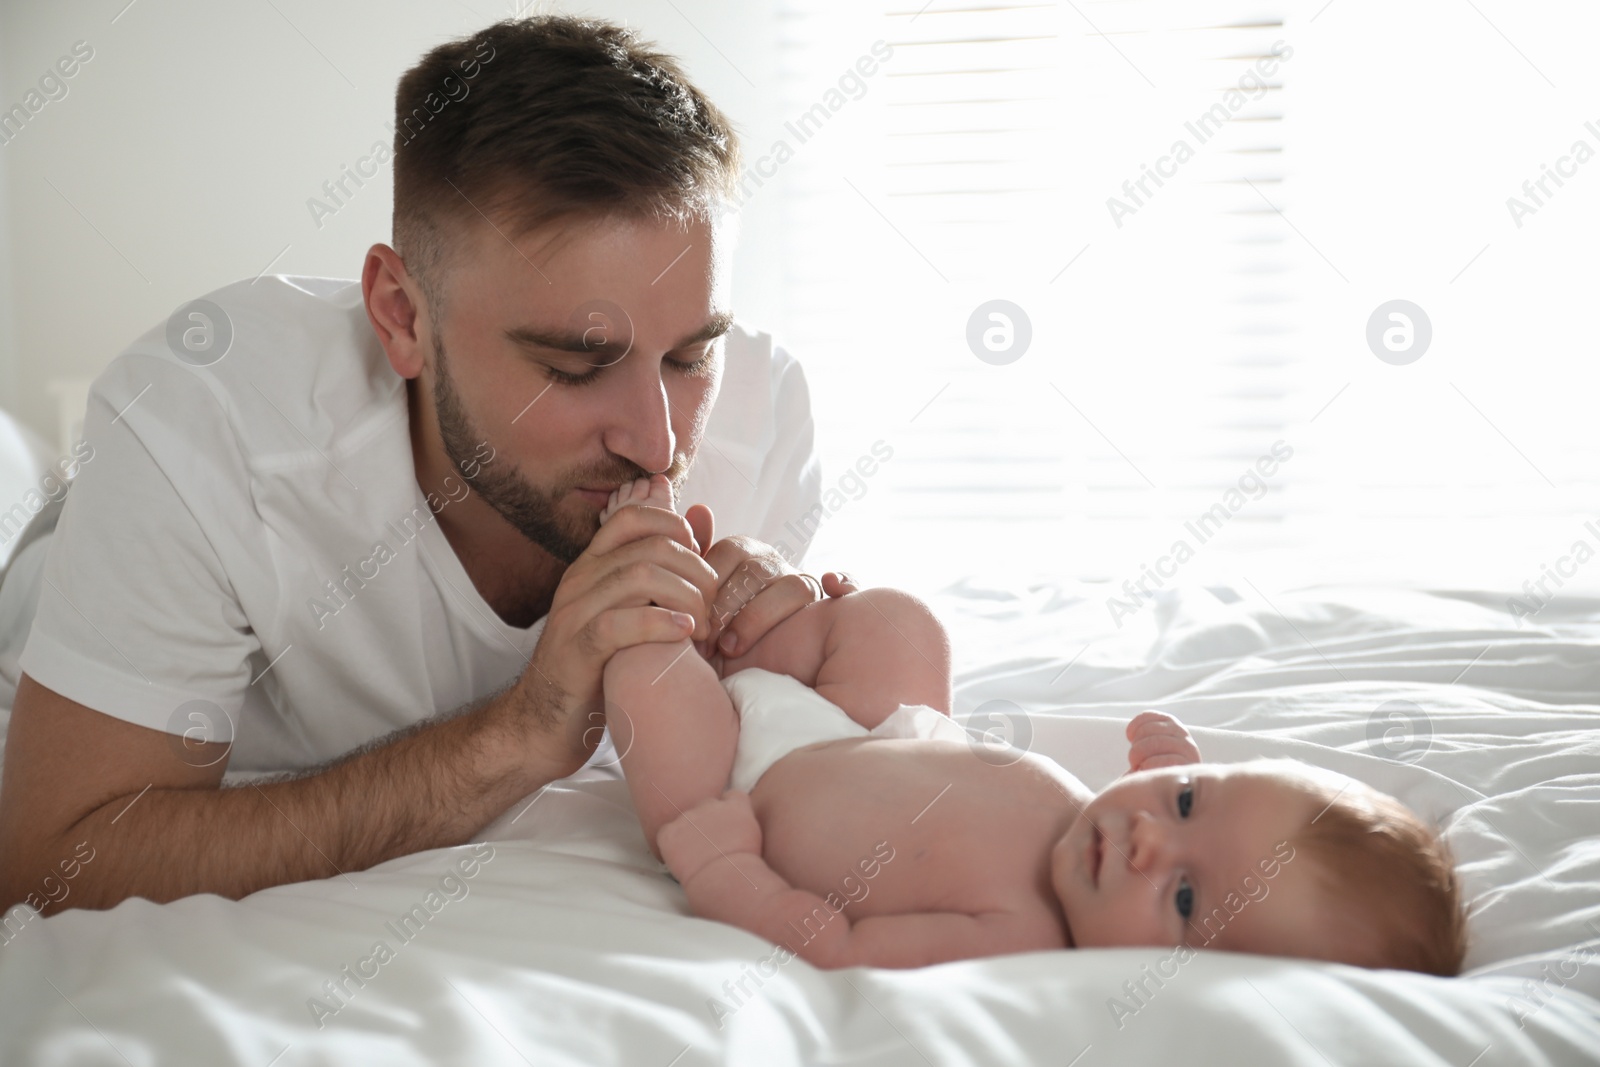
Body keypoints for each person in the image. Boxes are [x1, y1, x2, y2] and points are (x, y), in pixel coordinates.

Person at [0, 15, 854, 916]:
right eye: (573, 364)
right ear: (402, 315)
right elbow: (54, 859)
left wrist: (784, 646)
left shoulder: (762, 415)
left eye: (690, 357)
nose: (659, 441)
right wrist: (521, 731)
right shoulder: (207, 424)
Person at [601, 476, 1469, 975]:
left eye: (1186, 897)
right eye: (1189, 803)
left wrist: (725, 869)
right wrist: (1171, 768)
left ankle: (650, 580)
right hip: (878, 734)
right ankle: (751, 642)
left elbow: (838, 946)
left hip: (746, 790)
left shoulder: (1020, 932)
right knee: (903, 625)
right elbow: (1164, 820)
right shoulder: (1111, 830)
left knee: (644, 671)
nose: (1143, 840)